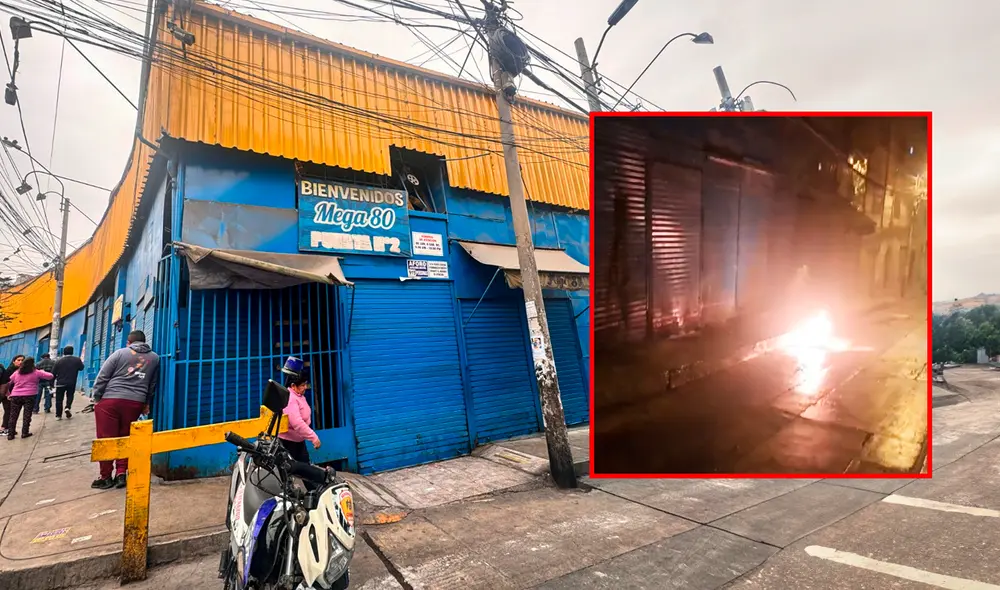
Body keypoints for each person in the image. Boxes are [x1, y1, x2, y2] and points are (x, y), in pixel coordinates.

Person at [90, 331, 159, 490]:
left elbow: (103, 376)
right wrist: (145, 402)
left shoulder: (120, 353)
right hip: (135, 401)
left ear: (129, 342)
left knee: (106, 439)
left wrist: (97, 397)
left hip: (111, 400)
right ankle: (122, 473)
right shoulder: (154, 358)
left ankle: (105, 476)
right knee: (126, 436)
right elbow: (152, 384)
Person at [277, 356, 321, 467]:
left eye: (305, 384)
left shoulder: (299, 395)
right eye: (302, 385)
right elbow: (297, 423)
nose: (305, 387)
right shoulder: (291, 398)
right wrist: (313, 437)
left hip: (297, 441)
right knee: (297, 470)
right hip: (288, 443)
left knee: (304, 470)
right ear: (293, 386)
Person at [5, 357, 54, 440]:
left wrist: (8, 394)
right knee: (27, 415)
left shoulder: (17, 372)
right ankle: (25, 432)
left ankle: (10, 434)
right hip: (30, 396)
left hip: (16, 396)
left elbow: (8, 382)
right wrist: (42, 372)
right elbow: (50, 376)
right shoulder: (36, 372)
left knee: (13, 415)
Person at [51, 346, 85, 421]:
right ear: (72, 352)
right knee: (70, 396)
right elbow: (81, 368)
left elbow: (53, 373)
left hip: (60, 383)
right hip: (71, 382)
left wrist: (51, 383)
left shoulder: (58, 361)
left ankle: (58, 415)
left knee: (59, 399)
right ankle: (67, 407)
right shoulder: (76, 360)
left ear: (64, 352)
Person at [0, 355, 25, 437]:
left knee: (10, 411)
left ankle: (8, 429)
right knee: (8, 411)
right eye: (18, 360)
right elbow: (6, 383)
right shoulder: (10, 370)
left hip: (12, 394)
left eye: (22, 360)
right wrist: (8, 394)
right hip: (7, 394)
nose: (20, 362)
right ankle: (4, 428)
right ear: (14, 361)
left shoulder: (19, 370)